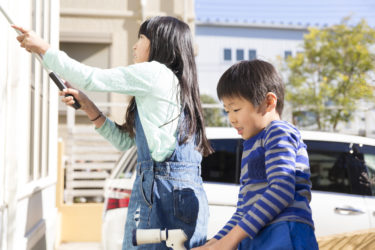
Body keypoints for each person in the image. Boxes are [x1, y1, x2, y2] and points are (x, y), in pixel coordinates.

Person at [13, 16, 213, 249]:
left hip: (161, 193)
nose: (134, 45)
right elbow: (123, 141)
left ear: (160, 43)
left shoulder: (156, 74)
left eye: (141, 38)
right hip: (178, 194)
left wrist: (44, 49)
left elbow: (91, 78)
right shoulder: (175, 87)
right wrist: (89, 107)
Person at [193, 60, 318, 250]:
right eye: (227, 111)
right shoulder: (251, 145)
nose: (231, 118)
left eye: (236, 109)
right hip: (258, 234)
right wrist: (213, 243)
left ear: (269, 102)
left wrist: (230, 241)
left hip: (283, 231)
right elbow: (243, 210)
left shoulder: (278, 131)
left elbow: (281, 189)